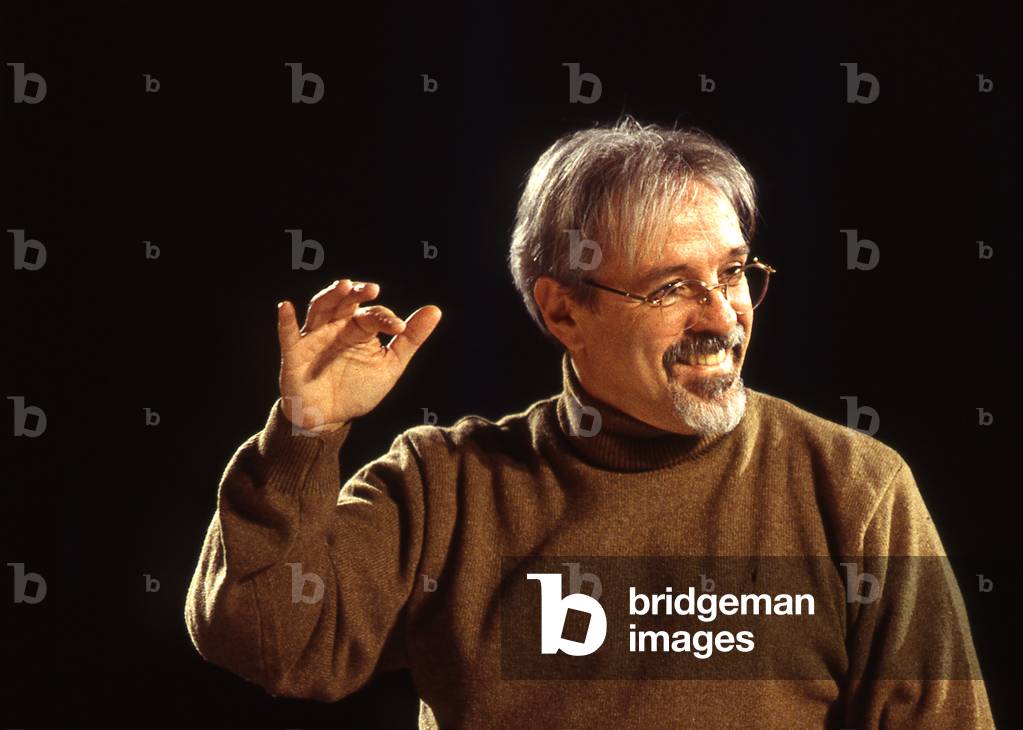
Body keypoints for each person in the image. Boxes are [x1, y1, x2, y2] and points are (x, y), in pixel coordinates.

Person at [184, 117, 995, 728]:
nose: (723, 316)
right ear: (562, 311)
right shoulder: (445, 489)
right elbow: (267, 640)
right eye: (671, 287)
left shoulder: (853, 487)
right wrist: (303, 436)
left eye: (732, 273)